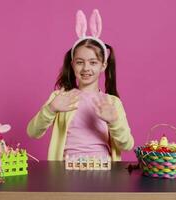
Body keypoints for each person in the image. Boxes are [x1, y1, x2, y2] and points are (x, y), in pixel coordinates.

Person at [27, 9, 134, 161]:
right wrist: (50, 109)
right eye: (80, 62)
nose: (86, 68)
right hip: (67, 173)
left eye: (93, 62)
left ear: (103, 65)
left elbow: (127, 145)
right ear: (72, 65)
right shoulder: (60, 98)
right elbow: (33, 132)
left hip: (103, 174)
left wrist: (114, 121)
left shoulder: (112, 103)